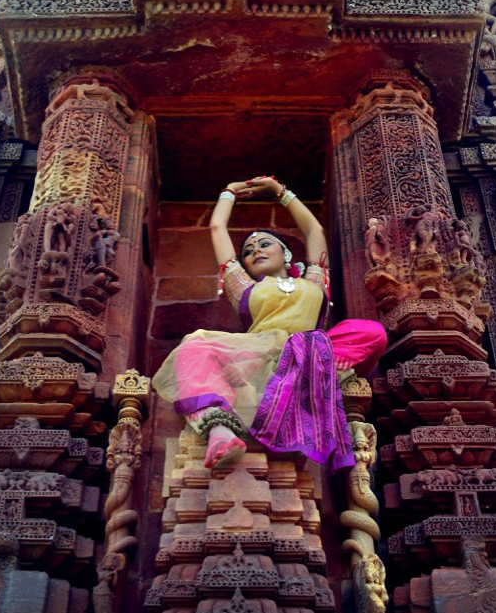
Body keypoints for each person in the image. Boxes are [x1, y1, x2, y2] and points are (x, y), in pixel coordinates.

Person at [152, 176, 387, 471]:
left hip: (310, 349)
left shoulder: (314, 280)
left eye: (264, 244)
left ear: (286, 253)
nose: (255, 252)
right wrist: (229, 191)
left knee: (370, 331)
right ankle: (219, 432)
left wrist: (280, 192)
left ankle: (323, 367)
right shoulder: (242, 287)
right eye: (248, 252)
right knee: (194, 347)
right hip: (259, 352)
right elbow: (217, 228)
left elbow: (314, 229)